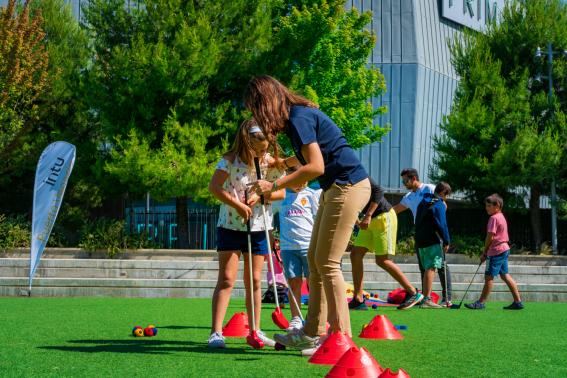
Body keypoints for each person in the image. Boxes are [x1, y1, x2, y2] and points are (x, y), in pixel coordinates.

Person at [245, 75, 371, 351]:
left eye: (257, 108)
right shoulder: (296, 119)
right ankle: (312, 330)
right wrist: (283, 163)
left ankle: (340, 339)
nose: (257, 116)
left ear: (266, 103)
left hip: (347, 185)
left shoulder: (299, 118)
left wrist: (273, 184)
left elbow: (316, 167)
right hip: (335, 188)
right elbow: (309, 157)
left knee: (327, 263)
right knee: (316, 260)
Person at [207, 120, 285, 348]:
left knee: (255, 280)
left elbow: (281, 192)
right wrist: (239, 205)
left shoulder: (268, 161)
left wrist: (262, 197)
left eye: (266, 149)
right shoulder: (230, 161)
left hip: (259, 226)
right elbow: (214, 187)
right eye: (259, 149)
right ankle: (216, 333)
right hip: (231, 225)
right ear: (247, 143)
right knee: (227, 279)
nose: (264, 153)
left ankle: (256, 330)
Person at [349, 178, 424, 311]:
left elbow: (378, 191)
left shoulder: (354, 172)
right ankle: (358, 299)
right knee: (355, 254)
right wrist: (358, 221)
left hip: (383, 216)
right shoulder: (336, 181)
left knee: (382, 260)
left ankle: (413, 292)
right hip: (369, 219)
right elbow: (350, 205)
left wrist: (368, 215)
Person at [393, 168, 453, 307]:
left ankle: (446, 298)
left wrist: (438, 229)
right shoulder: (408, 196)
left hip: (433, 232)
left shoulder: (430, 188)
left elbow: (443, 205)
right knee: (425, 267)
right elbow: (395, 209)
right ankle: (426, 299)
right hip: (421, 232)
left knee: (440, 266)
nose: (403, 184)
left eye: (405, 180)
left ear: (414, 178)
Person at [278, 168, 322, 330]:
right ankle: (296, 318)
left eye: (305, 180)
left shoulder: (311, 194)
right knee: (294, 283)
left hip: (309, 246)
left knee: (313, 283)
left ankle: (315, 316)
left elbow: (318, 219)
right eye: (298, 180)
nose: (302, 184)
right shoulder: (280, 196)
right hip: (288, 248)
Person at [465, 194, 524, 310]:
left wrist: (484, 252)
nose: (486, 208)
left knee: (489, 277)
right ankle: (518, 301)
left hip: (496, 251)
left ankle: (480, 303)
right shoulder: (501, 216)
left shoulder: (493, 218)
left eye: (489, 206)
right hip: (504, 249)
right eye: (486, 206)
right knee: (505, 275)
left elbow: (490, 237)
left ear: (497, 206)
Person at [414, 182, 452, 309]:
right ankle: (427, 299)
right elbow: (442, 224)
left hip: (419, 239)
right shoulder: (439, 203)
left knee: (426, 269)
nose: (446, 199)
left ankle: (425, 297)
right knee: (432, 267)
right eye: (447, 196)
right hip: (431, 239)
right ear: (443, 193)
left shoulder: (423, 201)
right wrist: (446, 240)